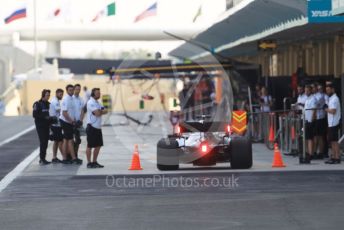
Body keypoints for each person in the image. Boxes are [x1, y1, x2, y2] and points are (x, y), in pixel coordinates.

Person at [59, 84, 82, 165]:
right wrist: (72, 121)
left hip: (70, 122)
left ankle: (68, 158)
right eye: (70, 90)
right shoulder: (65, 99)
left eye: (72, 90)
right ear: (67, 90)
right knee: (68, 140)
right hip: (65, 121)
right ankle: (69, 158)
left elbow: (73, 111)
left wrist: (76, 120)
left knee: (67, 140)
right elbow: (64, 113)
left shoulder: (72, 98)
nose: (72, 91)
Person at [86, 88, 108, 168]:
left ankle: (94, 161)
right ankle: (89, 163)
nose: (99, 94)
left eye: (99, 93)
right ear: (93, 94)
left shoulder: (98, 102)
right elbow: (98, 113)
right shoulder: (90, 102)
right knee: (90, 146)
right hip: (92, 127)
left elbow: (106, 110)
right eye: (98, 93)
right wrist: (100, 111)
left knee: (98, 145)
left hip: (98, 127)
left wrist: (100, 111)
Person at [33, 89, 56, 165]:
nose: (48, 96)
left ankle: (43, 158)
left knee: (45, 142)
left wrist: (52, 120)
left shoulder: (49, 104)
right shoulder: (37, 104)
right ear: (43, 95)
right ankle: (42, 159)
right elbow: (35, 115)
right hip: (40, 126)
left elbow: (51, 115)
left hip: (47, 126)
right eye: (47, 95)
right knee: (43, 142)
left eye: (49, 95)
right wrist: (44, 117)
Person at [325, 84, 341, 164]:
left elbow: (333, 111)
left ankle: (337, 157)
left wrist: (326, 109)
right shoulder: (331, 98)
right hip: (331, 122)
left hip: (334, 122)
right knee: (332, 141)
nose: (327, 91)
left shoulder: (334, 98)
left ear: (332, 89)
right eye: (326, 90)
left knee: (335, 141)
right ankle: (334, 156)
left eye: (328, 90)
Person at [49, 88, 64, 163]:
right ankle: (64, 157)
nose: (61, 96)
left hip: (57, 124)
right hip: (55, 124)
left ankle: (54, 157)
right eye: (60, 94)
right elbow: (59, 110)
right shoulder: (55, 101)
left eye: (62, 94)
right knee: (59, 141)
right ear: (56, 93)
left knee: (57, 141)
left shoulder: (57, 100)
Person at [303, 85, 317, 163]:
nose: (306, 92)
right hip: (307, 120)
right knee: (307, 137)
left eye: (307, 91)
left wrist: (311, 120)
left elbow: (314, 110)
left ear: (311, 91)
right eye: (305, 91)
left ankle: (311, 153)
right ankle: (308, 152)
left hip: (311, 121)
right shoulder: (307, 99)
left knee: (310, 138)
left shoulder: (313, 99)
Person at [313, 83, 327, 159]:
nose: (318, 90)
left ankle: (321, 152)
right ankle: (315, 151)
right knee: (316, 136)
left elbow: (317, 105)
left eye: (319, 88)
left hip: (321, 118)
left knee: (320, 136)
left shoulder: (323, 96)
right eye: (318, 88)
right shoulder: (314, 96)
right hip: (316, 118)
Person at [73, 84, 85, 157]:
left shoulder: (81, 99)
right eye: (77, 89)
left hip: (78, 122)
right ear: (74, 89)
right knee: (71, 140)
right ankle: (71, 155)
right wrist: (73, 120)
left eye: (79, 89)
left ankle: (76, 154)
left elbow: (82, 110)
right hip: (71, 122)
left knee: (78, 140)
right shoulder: (71, 98)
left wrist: (81, 120)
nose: (78, 90)